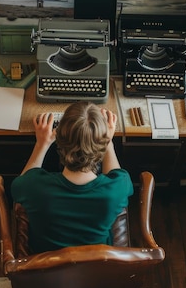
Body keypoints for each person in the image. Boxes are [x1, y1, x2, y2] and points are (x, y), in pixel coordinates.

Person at [11, 101, 134, 254]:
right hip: (96, 264)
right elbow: (114, 174)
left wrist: (41, 144)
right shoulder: (117, 188)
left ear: (59, 141)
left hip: (47, 265)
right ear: (101, 145)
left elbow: (17, 188)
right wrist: (108, 143)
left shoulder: (34, 187)